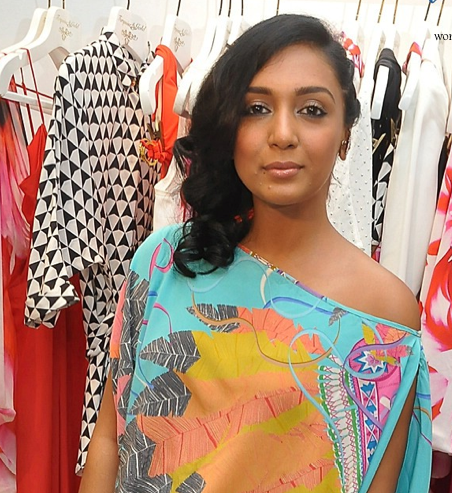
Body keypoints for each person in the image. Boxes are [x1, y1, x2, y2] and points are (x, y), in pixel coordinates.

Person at [79, 13, 432, 493]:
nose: (282, 133)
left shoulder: (384, 314)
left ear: (346, 133)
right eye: (257, 108)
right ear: (231, 128)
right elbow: (109, 437)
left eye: (312, 109)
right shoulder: (165, 261)